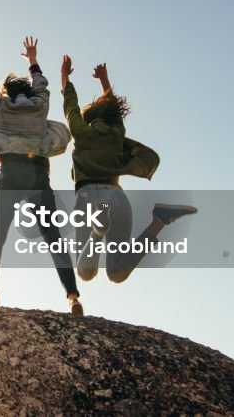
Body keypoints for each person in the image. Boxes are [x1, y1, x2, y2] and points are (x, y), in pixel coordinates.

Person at [0, 37, 81, 313]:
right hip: (38, 175)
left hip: (10, 173)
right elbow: (42, 85)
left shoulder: (1, 107)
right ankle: (73, 296)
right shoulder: (40, 105)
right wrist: (32, 60)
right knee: (53, 237)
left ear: (8, 92)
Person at [61, 57, 197, 284]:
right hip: (118, 198)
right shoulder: (116, 132)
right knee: (116, 273)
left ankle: (98, 230)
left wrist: (65, 76)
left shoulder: (81, 132)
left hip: (89, 197)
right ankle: (159, 222)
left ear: (89, 119)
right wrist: (104, 80)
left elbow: (70, 103)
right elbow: (114, 108)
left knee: (85, 273)